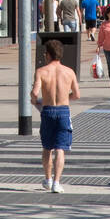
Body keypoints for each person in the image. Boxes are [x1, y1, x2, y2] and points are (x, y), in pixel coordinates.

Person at [32, 39, 80, 193]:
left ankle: (48, 179)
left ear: (48, 55)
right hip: (63, 111)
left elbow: (35, 93)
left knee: (47, 147)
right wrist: (65, 97)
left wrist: (35, 100)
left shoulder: (41, 71)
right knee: (60, 148)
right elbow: (77, 95)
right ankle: (57, 183)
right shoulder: (69, 72)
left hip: (47, 111)